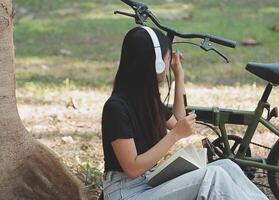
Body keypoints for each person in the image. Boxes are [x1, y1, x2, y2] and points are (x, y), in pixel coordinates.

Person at [101, 26, 268, 200]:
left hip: (148, 182)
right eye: (167, 57)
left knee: (227, 166)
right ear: (155, 64)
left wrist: (178, 74)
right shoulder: (116, 108)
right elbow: (132, 168)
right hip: (125, 193)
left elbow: (179, 120)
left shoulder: (146, 100)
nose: (168, 62)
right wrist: (174, 136)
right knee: (212, 177)